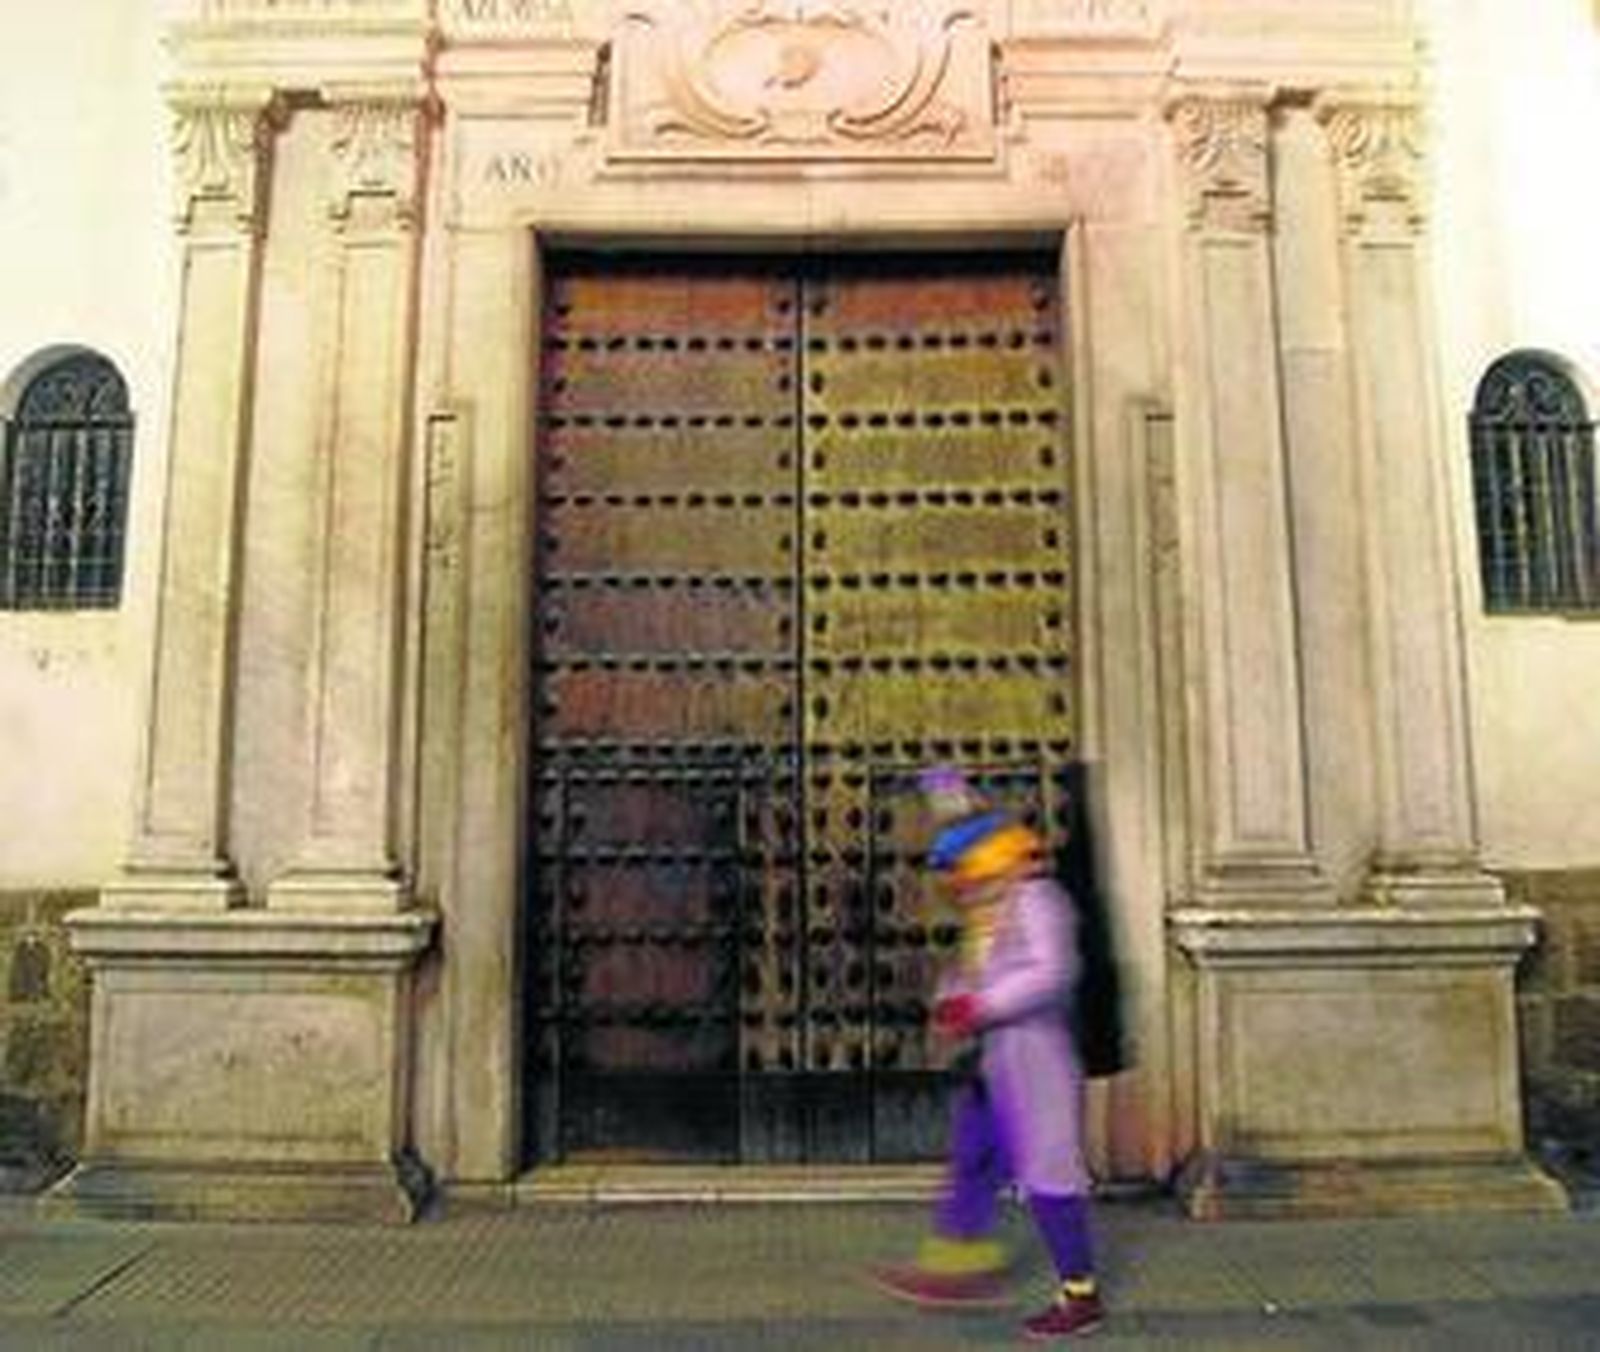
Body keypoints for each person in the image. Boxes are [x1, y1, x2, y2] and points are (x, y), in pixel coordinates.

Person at [867, 771, 1105, 1341]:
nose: (961, 885)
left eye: (965, 869)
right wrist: (954, 1002)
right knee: (973, 1155)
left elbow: (1052, 972)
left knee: (1050, 1176)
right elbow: (970, 976)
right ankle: (958, 1267)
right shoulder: (990, 913)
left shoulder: (1038, 899)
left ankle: (1081, 1294)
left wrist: (982, 1004)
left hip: (1038, 1062)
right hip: (996, 1064)